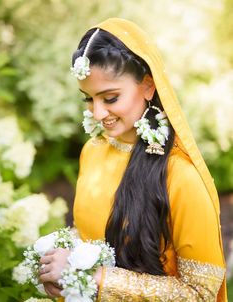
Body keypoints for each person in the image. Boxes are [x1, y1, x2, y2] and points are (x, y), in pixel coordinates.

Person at [39, 18, 227, 301]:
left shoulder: (180, 174)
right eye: (88, 99)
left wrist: (93, 278)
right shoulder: (93, 150)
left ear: (148, 87)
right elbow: (92, 233)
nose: (98, 113)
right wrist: (61, 270)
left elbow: (200, 293)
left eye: (110, 98)